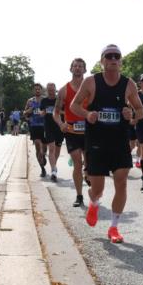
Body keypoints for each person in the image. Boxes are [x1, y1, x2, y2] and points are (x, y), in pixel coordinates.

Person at [69, 44, 143, 244]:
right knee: (98, 188)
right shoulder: (91, 82)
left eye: (116, 56)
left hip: (119, 141)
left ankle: (114, 227)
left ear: (121, 61)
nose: (113, 59)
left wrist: (132, 114)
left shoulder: (128, 84)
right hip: (96, 142)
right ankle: (94, 202)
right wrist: (87, 114)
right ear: (102, 60)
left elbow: (141, 110)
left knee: (121, 180)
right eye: (108, 56)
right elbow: (74, 105)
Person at [53, 58, 88, 207]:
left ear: (84, 70)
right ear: (71, 69)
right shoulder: (64, 90)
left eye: (80, 66)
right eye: (75, 66)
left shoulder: (90, 87)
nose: (78, 68)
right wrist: (61, 124)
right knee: (77, 163)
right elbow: (55, 113)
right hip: (71, 131)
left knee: (89, 163)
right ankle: (79, 196)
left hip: (89, 130)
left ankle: (88, 172)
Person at [40, 83, 64, 181]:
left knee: (57, 149)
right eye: (49, 90)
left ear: (55, 90)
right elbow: (41, 112)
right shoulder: (44, 101)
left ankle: (54, 165)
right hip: (48, 127)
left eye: (52, 90)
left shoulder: (60, 100)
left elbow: (65, 112)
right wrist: (43, 112)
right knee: (51, 148)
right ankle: (53, 170)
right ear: (47, 91)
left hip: (59, 126)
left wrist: (57, 111)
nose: (51, 92)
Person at [24, 83, 48, 177]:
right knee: (38, 146)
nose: (37, 90)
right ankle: (42, 168)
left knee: (44, 148)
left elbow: (50, 111)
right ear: (33, 91)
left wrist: (45, 113)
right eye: (35, 89)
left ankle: (43, 155)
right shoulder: (30, 101)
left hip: (44, 126)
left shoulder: (45, 100)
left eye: (39, 89)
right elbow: (24, 113)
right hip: (34, 126)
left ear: (41, 90)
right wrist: (28, 111)